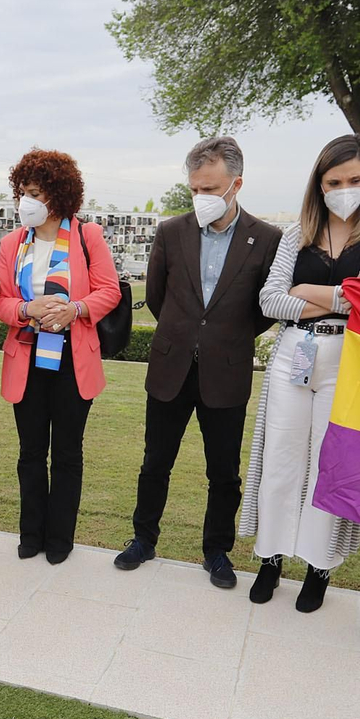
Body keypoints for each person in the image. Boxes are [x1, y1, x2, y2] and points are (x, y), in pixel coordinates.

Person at [241, 135, 360, 612]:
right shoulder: (297, 234)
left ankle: (318, 565)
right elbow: (269, 299)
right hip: (294, 353)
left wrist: (308, 288)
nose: (344, 189)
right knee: (280, 461)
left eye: (354, 180)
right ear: (319, 184)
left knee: (327, 465)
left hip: (348, 359)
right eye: (334, 181)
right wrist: (336, 295)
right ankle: (270, 558)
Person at [113, 136, 281, 587]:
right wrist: (186, 334)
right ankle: (143, 539)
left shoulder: (266, 239)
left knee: (223, 472)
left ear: (236, 184)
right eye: (196, 189)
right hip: (170, 368)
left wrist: (226, 337)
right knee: (155, 463)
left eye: (211, 188)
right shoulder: (172, 232)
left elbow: (264, 308)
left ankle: (217, 551)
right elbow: (161, 296)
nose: (202, 197)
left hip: (226, 372)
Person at [0, 149, 122, 563]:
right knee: (31, 452)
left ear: (57, 196)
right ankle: (31, 534)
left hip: (72, 360)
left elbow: (109, 290)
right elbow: (2, 303)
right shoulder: (12, 243)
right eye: (22, 192)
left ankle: (60, 539)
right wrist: (25, 310)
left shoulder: (89, 236)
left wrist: (76, 309)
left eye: (33, 193)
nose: (24, 201)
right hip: (26, 357)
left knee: (67, 452)